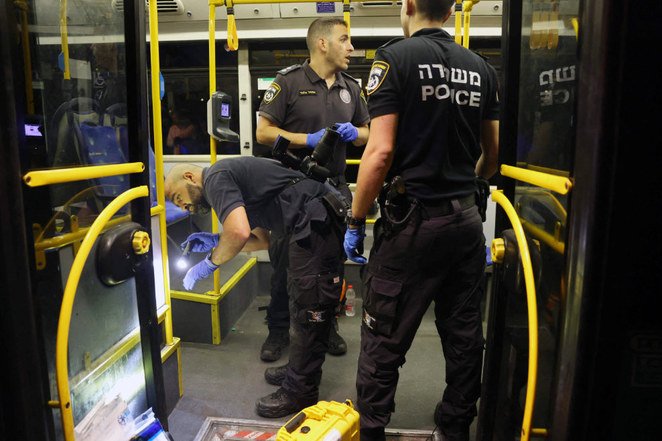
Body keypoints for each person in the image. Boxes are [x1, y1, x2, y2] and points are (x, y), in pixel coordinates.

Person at [343, 0, 500, 440]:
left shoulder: (394, 58)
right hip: (466, 223)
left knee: (383, 335)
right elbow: (493, 154)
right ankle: (454, 427)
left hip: (412, 224)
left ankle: (371, 430)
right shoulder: (482, 68)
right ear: (451, 11)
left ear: (409, 5)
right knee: (464, 334)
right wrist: (461, 187)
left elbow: (380, 152)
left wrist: (356, 220)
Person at [164, 157, 348, 419]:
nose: (181, 207)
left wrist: (208, 264)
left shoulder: (215, 177)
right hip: (308, 222)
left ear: (190, 178)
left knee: (311, 307)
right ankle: (299, 368)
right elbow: (259, 240)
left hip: (316, 220)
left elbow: (237, 234)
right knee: (300, 302)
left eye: (176, 196)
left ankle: (301, 390)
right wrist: (217, 240)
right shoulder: (231, 183)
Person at [255, 17, 370, 366]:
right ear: (322, 43)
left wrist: (356, 134)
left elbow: (368, 133)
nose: (351, 47)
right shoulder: (288, 82)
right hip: (290, 188)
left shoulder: (352, 87)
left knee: (331, 263)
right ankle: (278, 331)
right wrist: (308, 140)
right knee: (283, 265)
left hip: (332, 188)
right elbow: (263, 132)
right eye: (344, 39)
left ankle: (327, 327)